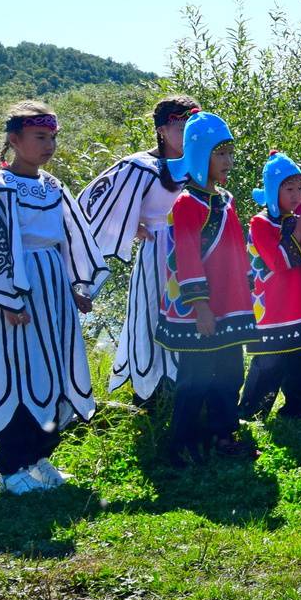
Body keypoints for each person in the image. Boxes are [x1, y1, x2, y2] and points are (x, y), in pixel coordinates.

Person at [0, 101, 107, 494]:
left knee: (53, 372)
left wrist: (78, 285)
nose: (49, 145)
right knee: (17, 375)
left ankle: (39, 457)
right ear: (15, 140)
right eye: (40, 137)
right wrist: (7, 300)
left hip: (53, 290)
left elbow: (71, 238)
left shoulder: (53, 186)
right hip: (15, 298)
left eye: (52, 137)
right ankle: (10, 468)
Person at [78, 95, 199, 404]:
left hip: (195, 252)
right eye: (180, 126)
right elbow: (89, 204)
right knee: (153, 317)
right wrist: (130, 227)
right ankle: (150, 392)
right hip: (157, 253)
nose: (186, 133)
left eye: (192, 126)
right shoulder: (140, 165)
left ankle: (191, 387)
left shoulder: (199, 163)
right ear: (161, 130)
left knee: (194, 315)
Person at [156, 111, 259, 464]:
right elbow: (185, 256)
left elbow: (234, 248)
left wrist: (248, 291)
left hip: (230, 305)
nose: (229, 160)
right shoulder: (187, 203)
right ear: (201, 155)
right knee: (195, 377)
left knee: (230, 372)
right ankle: (182, 442)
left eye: (230, 152)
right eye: (220, 153)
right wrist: (200, 306)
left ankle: (221, 434)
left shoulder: (225, 199)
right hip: (202, 310)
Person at [238, 151, 301, 420]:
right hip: (276, 307)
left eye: (300, 188)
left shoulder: (298, 220)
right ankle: (251, 414)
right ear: (272, 189)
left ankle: (297, 413)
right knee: (269, 361)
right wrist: (298, 232)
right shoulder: (260, 223)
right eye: (289, 188)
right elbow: (277, 262)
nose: (296, 195)